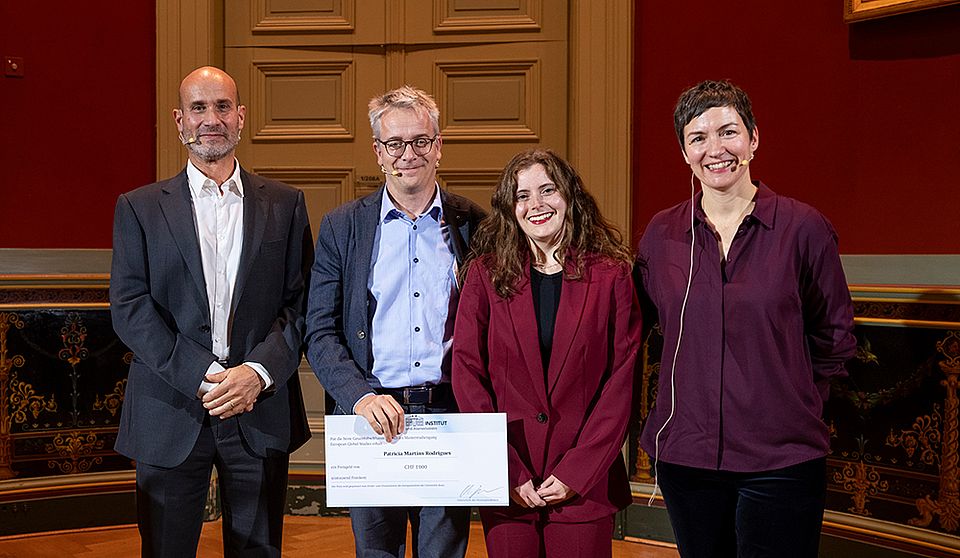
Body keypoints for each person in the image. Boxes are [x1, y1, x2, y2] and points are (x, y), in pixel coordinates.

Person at [635, 80, 857, 558]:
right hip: (687, 458)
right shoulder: (662, 233)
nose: (715, 149)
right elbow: (638, 328)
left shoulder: (803, 228)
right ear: (684, 153)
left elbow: (835, 336)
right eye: (698, 138)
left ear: (754, 139)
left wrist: (794, 402)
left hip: (781, 458)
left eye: (728, 132)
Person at [110, 66, 312, 557]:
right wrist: (202, 375)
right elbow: (130, 307)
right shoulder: (138, 207)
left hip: (257, 407)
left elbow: (302, 304)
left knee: (258, 550)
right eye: (198, 108)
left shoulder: (285, 204)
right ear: (180, 121)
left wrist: (258, 373)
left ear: (241, 117)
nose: (211, 119)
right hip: (170, 409)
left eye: (222, 107)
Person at [305, 85, 485, 558]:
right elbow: (319, 331)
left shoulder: (475, 224)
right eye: (395, 144)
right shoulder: (342, 227)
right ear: (378, 153)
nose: (409, 154)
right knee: (377, 554)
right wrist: (359, 396)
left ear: (438, 146)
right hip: (370, 417)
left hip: (449, 416)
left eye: (421, 141)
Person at [452, 149, 641, 557]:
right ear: (510, 208)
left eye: (547, 190)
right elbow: (468, 375)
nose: (536, 205)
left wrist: (577, 471)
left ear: (569, 196)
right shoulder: (485, 276)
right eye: (522, 196)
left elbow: (620, 383)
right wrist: (505, 468)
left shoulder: (611, 275)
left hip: (584, 484)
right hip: (508, 479)